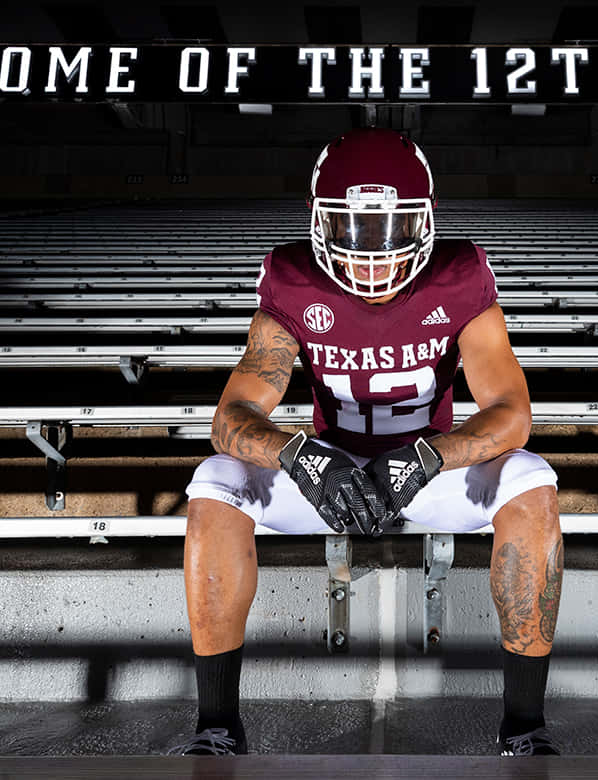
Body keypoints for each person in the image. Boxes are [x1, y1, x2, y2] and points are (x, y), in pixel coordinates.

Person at [171, 127, 563, 757]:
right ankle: (216, 726)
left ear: (427, 221)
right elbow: (233, 416)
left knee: (532, 482)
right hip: (335, 466)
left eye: (392, 230)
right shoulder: (293, 282)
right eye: (353, 230)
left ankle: (525, 725)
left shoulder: (460, 276)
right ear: (318, 221)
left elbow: (512, 414)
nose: (374, 254)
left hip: (430, 465)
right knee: (215, 483)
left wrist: (434, 454)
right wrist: (298, 455)